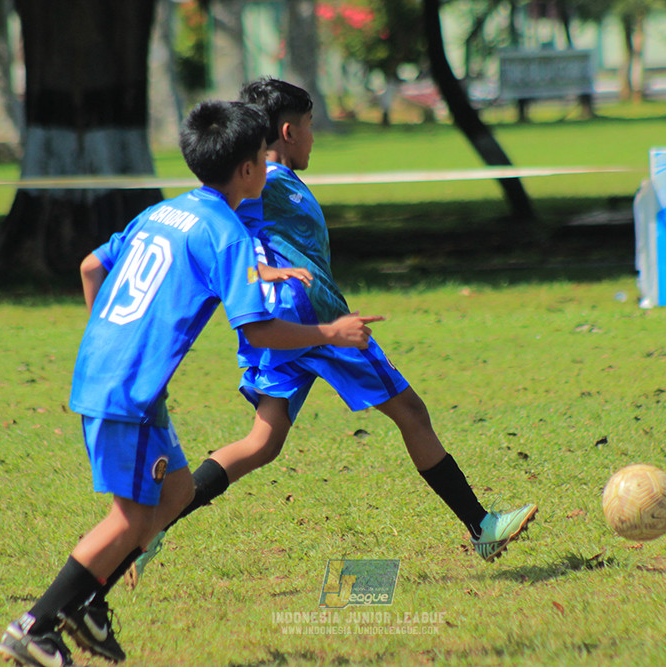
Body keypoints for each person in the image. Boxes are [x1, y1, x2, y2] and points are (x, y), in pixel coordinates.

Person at [0, 100, 382, 667]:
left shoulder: (166, 211)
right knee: (129, 520)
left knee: (176, 495)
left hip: (118, 375)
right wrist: (330, 330)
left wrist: (113, 337)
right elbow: (260, 328)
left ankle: (88, 606)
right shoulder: (227, 232)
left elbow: (90, 267)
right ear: (250, 170)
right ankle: (35, 625)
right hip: (126, 389)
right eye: (261, 158)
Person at [127, 78, 538, 579]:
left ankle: (152, 527)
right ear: (287, 131)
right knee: (410, 410)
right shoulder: (267, 182)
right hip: (315, 321)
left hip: (283, 327)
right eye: (309, 126)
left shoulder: (273, 181)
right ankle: (482, 526)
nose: (313, 137)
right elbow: (230, 218)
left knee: (262, 442)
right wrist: (262, 272)